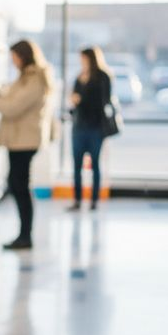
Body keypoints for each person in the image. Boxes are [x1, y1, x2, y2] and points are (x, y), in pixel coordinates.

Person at [0, 40, 53, 250]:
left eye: (14, 56)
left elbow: (15, 107)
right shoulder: (26, 77)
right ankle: (24, 234)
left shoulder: (35, 79)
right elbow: (11, 96)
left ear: (23, 56)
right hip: (19, 139)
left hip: (25, 141)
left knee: (19, 185)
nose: (12, 60)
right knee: (17, 184)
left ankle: (25, 236)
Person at [69, 46, 113, 211]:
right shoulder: (79, 77)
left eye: (84, 59)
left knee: (95, 165)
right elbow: (74, 104)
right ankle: (77, 200)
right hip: (79, 127)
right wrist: (74, 102)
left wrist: (81, 100)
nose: (82, 62)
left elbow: (104, 102)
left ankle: (94, 200)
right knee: (76, 166)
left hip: (95, 128)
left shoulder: (103, 77)